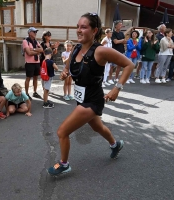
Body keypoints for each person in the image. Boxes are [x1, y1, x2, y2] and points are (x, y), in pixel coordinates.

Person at [47, 13, 134, 176]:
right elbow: (69, 64)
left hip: (92, 101)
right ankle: (116, 145)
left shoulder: (101, 51)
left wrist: (117, 88)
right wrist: (66, 72)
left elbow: (129, 65)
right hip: (81, 99)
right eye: (78, 27)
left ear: (94, 31)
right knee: (97, 126)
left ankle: (64, 164)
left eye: (84, 27)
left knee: (62, 132)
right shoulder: (77, 47)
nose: (79, 30)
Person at [22, 27, 43, 100]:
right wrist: (37, 51)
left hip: (37, 62)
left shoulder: (36, 41)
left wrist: (33, 49)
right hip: (29, 63)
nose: (35, 33)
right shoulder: (25, 41)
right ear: (30, 33)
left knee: (36, 78)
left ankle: (35, 92)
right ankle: (26, 93)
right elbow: (29, 53)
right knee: (28, 78)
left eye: (36, 32)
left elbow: (42, 49)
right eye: (34, 32)